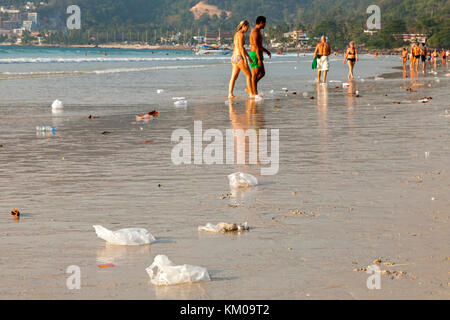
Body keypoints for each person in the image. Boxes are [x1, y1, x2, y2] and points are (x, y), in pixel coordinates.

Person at [228, 20, 254, 98]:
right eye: (247, 27)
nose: (247, 29)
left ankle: (230, 94)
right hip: (239, 57)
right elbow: (241, 47)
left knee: (233, 77)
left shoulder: (236, 34)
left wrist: (248, 57)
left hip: (233, 57)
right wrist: (245, 59)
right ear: (243, 26)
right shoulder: (241, 35)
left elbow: (238, 46)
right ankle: (251, 94)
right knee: (249, 76)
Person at [249, 16, 271, 96]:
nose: (265, 25)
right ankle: (254, 93)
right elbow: (256, 46)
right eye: (265, 23)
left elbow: (259, 45)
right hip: (255, 55)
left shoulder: (258, 31)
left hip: (258, 53)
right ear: (261, 22)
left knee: (262, 73)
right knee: (255, 74)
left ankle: (251, 88)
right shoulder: (254, 32)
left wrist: (266, 51)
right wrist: (259, 59)